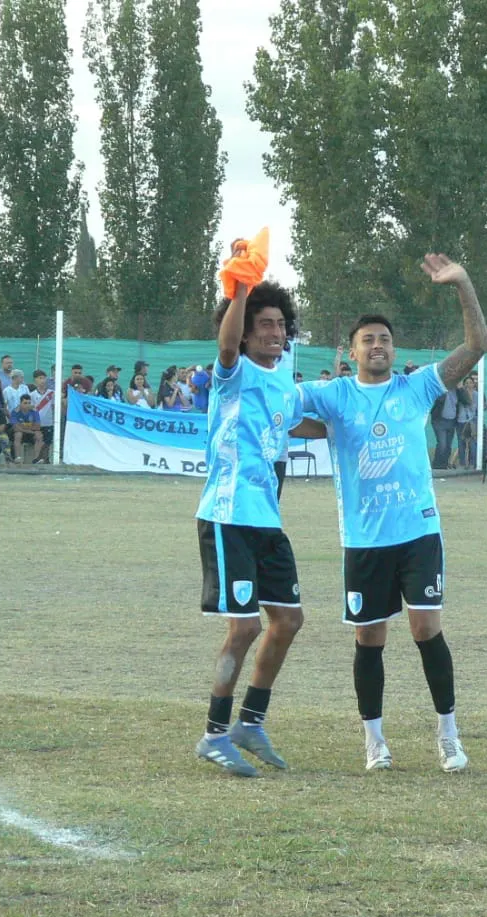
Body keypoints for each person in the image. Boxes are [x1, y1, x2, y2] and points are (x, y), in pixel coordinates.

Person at [295, 253, 487, 773]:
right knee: (369, 638)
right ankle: (374, 742)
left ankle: (448, 735)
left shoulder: (416, 386)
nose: (377, 345)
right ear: (352, 351)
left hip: (418, 532)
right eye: (368, 340)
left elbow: (477, 346)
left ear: (393, 349)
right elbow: (280, 406)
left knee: (427, 629)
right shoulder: (335, 395)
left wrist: (462, 284)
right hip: (364, 538)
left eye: (384, 338)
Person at [194, 255, 319, 778]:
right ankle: (213, 734)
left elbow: (299, 425)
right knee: (244, 627)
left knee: (288, 620)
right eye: (263, 325)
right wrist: (241, 288)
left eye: (281, 324)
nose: (275, 332)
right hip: (227, 516)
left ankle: (250, 722)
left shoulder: (284, 384)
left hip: (267, 521)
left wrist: (356, 427)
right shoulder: (234, 372)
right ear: (245, 333)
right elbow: (225, 347)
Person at [29, 370, 55, 464]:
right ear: (35, 380)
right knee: (38, 440)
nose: (42, 380)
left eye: (44, 378)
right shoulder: (32, 395)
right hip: (37, 423)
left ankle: (46, 459)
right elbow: (31, 409)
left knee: (47, 442)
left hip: (48, 422)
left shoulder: (51, 393)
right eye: (40, 378)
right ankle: (37, 458)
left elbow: (54, 406)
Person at [10, 394, 44, 464]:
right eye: (25, 403)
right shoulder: (15, 411)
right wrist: (31, 430)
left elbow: (38, 426)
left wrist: (22, 426)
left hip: (29, 433)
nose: (27, 405)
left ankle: (36, 459)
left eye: (29, 403)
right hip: (23, 433)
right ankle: (18, 458)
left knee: (39, 435)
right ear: (20, 404)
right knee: (18, 434)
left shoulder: (34, 411)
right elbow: (15, 427)